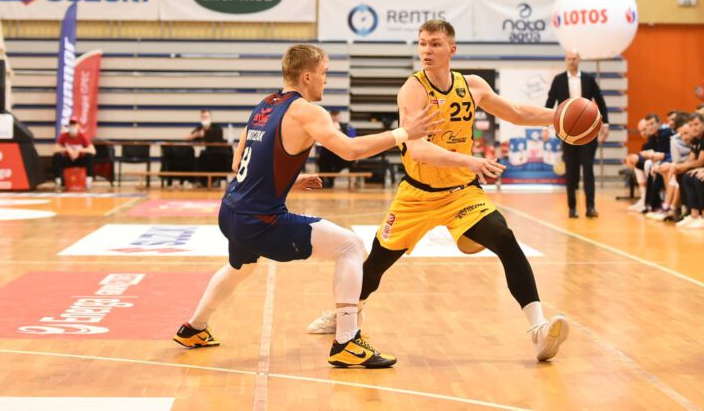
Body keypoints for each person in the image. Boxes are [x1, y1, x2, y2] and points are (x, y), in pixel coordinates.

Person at [308, 19, 571, 363]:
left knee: (504, 238)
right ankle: (346, 314)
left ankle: (538, 330)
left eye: (434, 44)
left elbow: (518, 113)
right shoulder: (413, 90)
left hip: (461, 193)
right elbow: (417, 149)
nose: (426, 50)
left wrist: (559, 116)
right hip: (417, 195)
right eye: (422, 44)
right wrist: (470, 161)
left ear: (452, 49)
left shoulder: (472, 86)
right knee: (376, 264)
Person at [173, 43, 438, 368]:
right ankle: (347, 341)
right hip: (261, 220)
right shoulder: (308, 112)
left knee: (240, 267)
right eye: (324, 73)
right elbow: (350, 151)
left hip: (230, 212)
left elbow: (238, 162)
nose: (326, 80)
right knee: (351, 246)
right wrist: (404, 133)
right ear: (307, 76)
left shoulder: (264, 105)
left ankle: (194, 328)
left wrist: (288, 180)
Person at [545, 48, 609, 218]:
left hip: (588, 132)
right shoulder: (559, 80)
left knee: (588, 170)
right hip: (568, 133)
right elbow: (550, 103)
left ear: (579, 60)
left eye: (574, 58)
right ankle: (572, 208)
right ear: (565, 60)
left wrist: (605, 124)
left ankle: (590, 207)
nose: (572, 61)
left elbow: (600, 101)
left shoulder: (588, 79)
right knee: (571, 171)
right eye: (569, 58)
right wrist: (545, 127)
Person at [316, 109, 357, 188]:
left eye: (336, 116)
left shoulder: (346, 127)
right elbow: (319, 142)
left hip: (341, 154)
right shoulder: (324, 127)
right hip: (328, 153)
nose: (335, 118)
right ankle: (323, 181)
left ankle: (332, 178)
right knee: (322, 161)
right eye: (333, 116)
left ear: (339, 117)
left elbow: (351, 139)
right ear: (330, 117)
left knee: (350, 161)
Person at [52, 116, 96, 186]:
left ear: (78, 126)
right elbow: (55, 149)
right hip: (68, 159)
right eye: (71, 125)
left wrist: (79, 150)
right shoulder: (63, 136)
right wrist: (66, 149)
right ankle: (58, 180)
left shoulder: (82, 136)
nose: (72, 127)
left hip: (79, 160)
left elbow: (93, 151)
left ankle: (88, 179)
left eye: (74, 125)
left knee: (89, 157)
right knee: (56, 156)